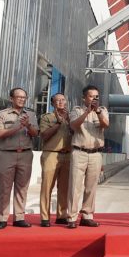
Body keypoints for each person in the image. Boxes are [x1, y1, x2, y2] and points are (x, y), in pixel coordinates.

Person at [0, 87, 39, 229]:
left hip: (25, 154)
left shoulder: (30, 114)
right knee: (4, 187)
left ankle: (19, 217)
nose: (21, 100)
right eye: (18, 97)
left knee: (22, 188)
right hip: (6, 154)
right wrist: (17, 127)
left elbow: (35, 133)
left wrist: (28, 125)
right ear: (11, 98)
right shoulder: (2, 114)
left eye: (24, 97)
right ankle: (2, 218)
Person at [67, 84, 109, 228]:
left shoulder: (102, 110)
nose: (94, 99)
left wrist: (97, 111)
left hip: (96, 153)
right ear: (84, 98)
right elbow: (74, 126)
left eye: (96, 96)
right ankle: (72, 217)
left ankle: (87, 215)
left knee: (91, 187)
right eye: (91, 96)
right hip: (79, 152)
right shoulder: (76, 110)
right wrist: (87, 112)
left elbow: (106, 124)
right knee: (75, 186)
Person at [38, 93, 72, 227]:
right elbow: (44, 135)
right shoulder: (47, 117)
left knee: (64, 188)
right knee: (47, 186)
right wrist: (58, 122)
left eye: (63, 100)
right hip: (51, 154)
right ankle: (45, 217)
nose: (61, 102)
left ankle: (62, 215)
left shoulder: (71, 117)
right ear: (52, 103)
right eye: (57, 100)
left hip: (68, 154)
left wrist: (69, 121)